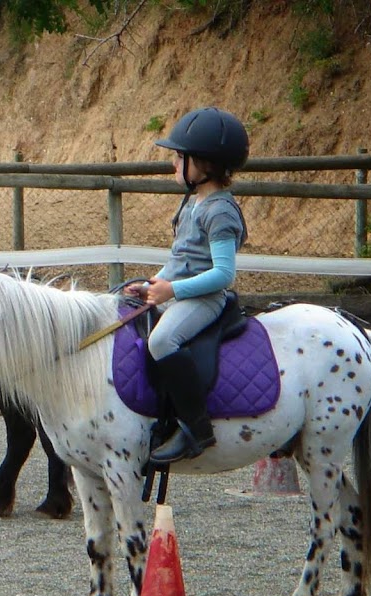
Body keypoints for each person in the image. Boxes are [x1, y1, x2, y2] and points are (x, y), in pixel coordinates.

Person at [125, 106, 249, 465]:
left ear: (205, 164)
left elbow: (224, 274)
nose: (174, 165)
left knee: (162, 340)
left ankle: (198, 428)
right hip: (180, 292)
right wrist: (156, 281)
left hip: (205, 299)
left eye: (180, 158)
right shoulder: (193, 203)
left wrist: (172, 291)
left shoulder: (220, 211)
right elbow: (181, 258)